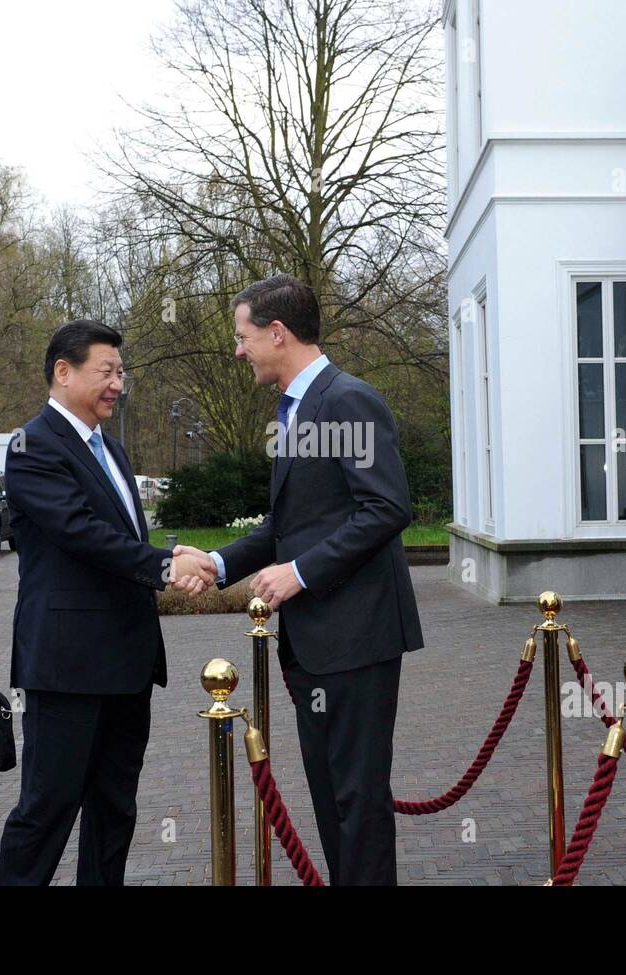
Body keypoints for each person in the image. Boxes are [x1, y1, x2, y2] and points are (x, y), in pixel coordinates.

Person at [175, 274, 423, 885]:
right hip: (318, 645)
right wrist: (219, 563)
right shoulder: (299, 409)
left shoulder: (346, 399)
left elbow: (387, 509)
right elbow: (290, 525)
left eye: (243, 335)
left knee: (357, 802)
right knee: (334, 801)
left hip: (357, 640)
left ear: (277, 332)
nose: (238, 350)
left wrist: (301, 574)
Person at [0, 319, 212, 886]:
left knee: (115, 808)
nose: (119, 384)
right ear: (63, 372)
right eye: (107, 371)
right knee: (47, 809)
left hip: (126, 663)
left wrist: (166, 552)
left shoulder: (110, 447)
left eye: (122, 372)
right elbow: (79, 532)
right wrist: (165, 566)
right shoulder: (32, 445)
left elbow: (120, 542)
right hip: (68, 666)